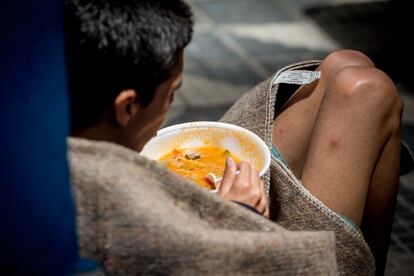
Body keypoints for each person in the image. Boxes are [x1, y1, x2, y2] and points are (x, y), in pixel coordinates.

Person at [65, 0, 412, 275]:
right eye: (170, 95)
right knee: (369, 91)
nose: (169, 109)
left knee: (345, 65)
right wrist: (233, 214)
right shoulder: (92, 201)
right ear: (126, 107)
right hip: (237, 252)